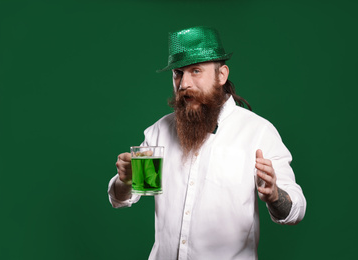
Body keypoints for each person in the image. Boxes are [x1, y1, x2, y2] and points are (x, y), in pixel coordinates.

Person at [108, 26, 306, 260]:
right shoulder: (159, 132)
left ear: (221, 75)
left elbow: (295, 210)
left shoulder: (258, 132)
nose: (184, 84)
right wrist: (126, 181)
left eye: (196, 71)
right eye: (178, 73)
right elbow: (123, 197)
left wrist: (274, 194)